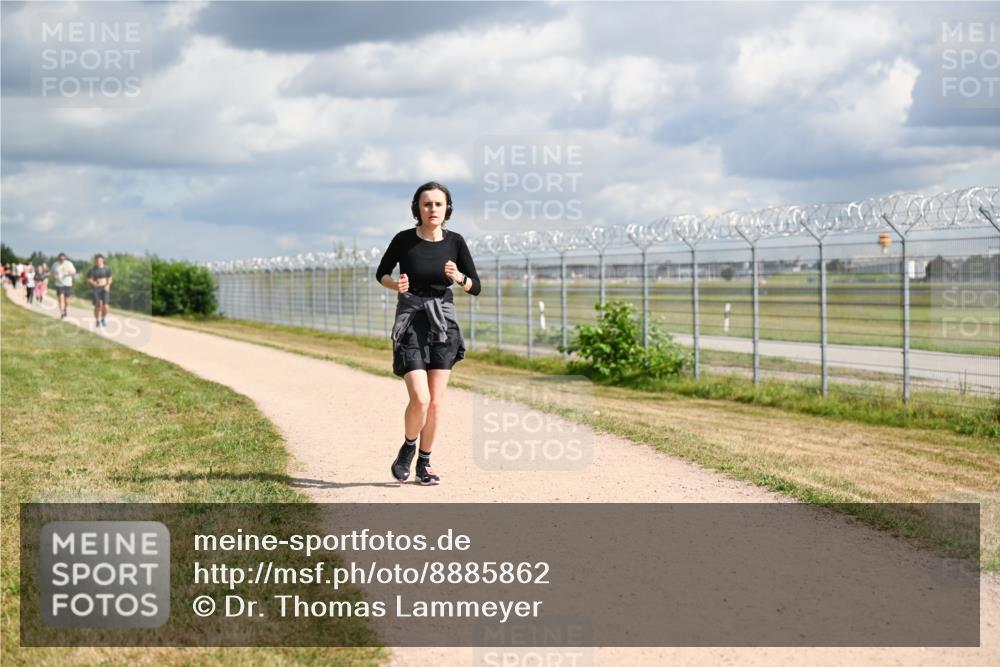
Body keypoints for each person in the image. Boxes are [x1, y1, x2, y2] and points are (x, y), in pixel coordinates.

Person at [375, 181, 481, 486]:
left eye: (438, 204)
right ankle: (408, 447)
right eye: (427, 204)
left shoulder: (455, 242)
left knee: (435, 402)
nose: (433, 209)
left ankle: (425, 463)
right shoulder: (404, 240)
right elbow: (381, 272)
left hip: (442, 324)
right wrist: (395, 285)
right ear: (417, 208)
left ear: (447, 208)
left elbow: (476, 286)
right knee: (420, 399)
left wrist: (459, 277)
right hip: (411, 320)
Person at [86, 254, 113, 327]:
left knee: (106, 306)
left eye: (100, 260)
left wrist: (108, 285)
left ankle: (103, 318)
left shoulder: (107, 269)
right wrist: (93, 283)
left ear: (103, 260)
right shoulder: (93, 270)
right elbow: (88, 279)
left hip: (105, 288)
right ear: (95, 261)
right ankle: (97, 320)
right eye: (97, 260)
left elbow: (110, 278)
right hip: (96, 289)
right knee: (97, 306)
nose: (98, 262)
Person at [52, 252, 76, 319]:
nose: (61, 259)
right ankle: (62, 313)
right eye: (60, 258)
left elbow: (74, 273)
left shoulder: (69, 264)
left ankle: (65, 308)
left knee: (66, 300)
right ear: (58, 258)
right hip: (59, 284)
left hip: (67, 283)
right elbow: (52, 273)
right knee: (61, 297)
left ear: (65, 258)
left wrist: (69, 273)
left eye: (63, 258)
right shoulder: (55, 264)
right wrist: (54, 277)